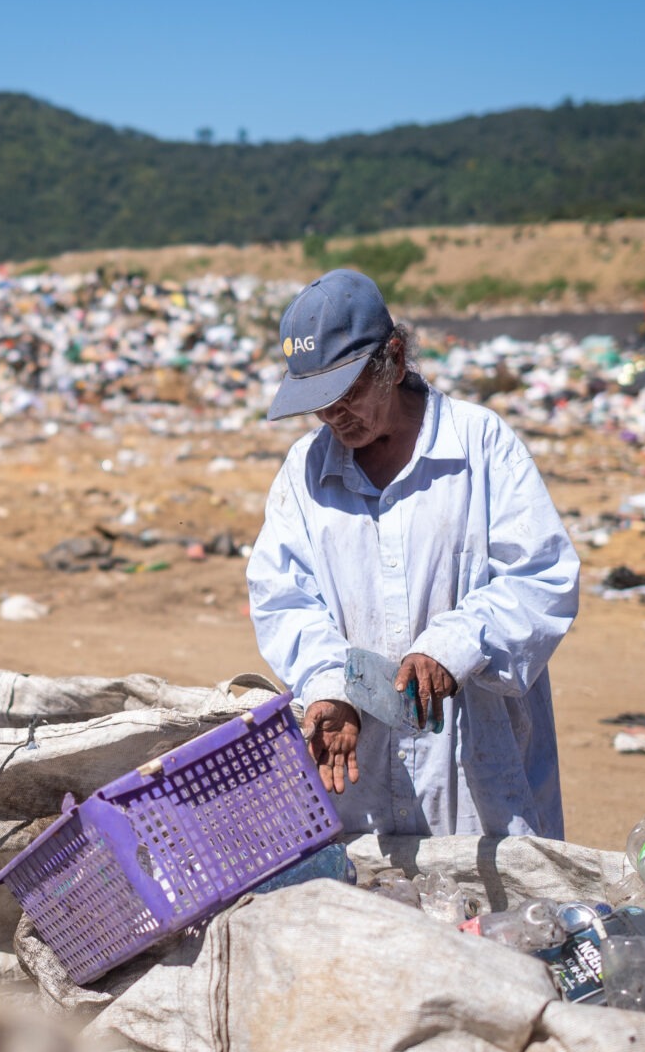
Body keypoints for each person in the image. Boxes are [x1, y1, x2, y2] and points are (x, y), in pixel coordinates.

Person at [248, 268, 579, 839]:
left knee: (495, 921)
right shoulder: (304, 475)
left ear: (394, 360)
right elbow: (284, 601)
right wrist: (331, 686)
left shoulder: (480, 446)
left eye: (347, 394)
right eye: (319, 403)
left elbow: (541, 575)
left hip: (476, 776)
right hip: (361, 780)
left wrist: (454, 645)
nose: (334, 416)